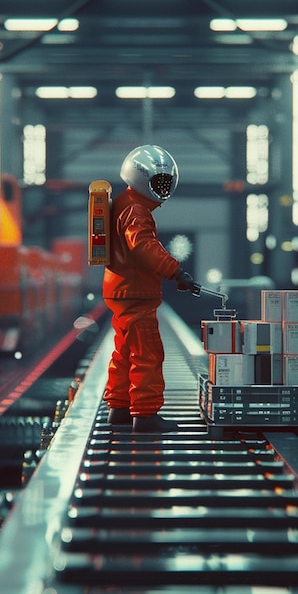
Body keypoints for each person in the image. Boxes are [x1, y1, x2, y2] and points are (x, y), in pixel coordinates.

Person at [102, 145, 195, 433]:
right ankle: (144, 414)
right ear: (141, 177)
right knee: (148, 353)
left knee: (125, 352)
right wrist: (175, 270)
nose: (163, 188)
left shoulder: (123, 203)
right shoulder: (136, 211)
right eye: (159, 182)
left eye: (166, 182)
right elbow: (143, 246)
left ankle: (118, 408)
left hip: (121, 290)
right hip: (135, 292)